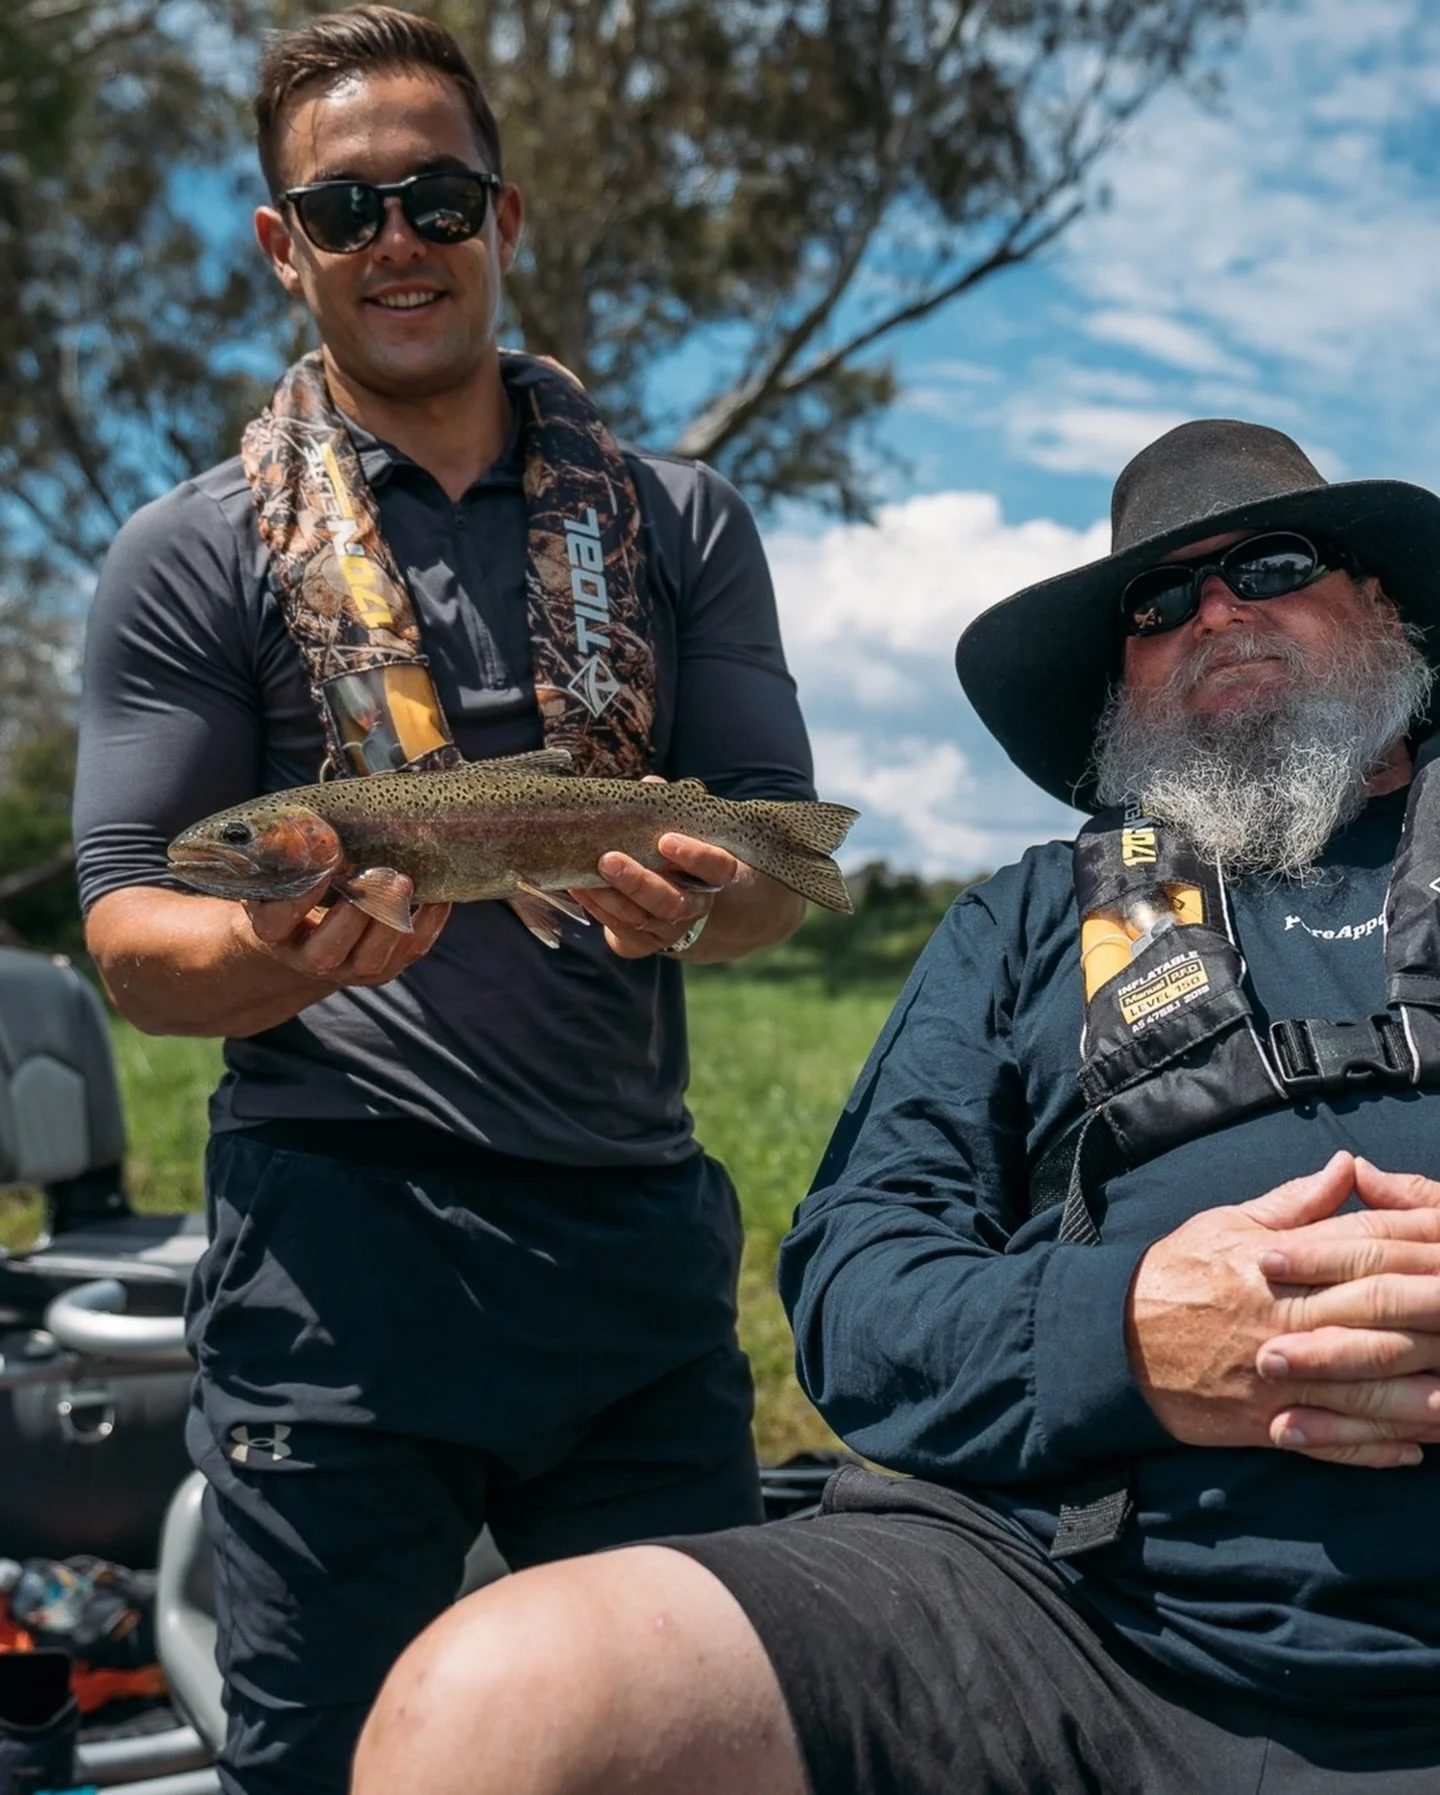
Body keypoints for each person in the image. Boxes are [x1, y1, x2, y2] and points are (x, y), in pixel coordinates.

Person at [352, 418, 1440, 1795]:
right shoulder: (1028, 920)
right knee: (492, 1707)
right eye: (1157, 605)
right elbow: (856, 1292)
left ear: (1386, 606)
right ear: (1123, 680)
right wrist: (1128, 1336)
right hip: (1079, 1625)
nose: (1212, 611)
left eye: (1271, 563)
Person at [72, 7, 820, 1792]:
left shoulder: (678, 518)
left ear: (505, 216)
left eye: (436, 198)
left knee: (686, 1754)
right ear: (282, 247)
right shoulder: (194, 552)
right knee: (328, 1763)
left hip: (631, 1252)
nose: (395, 241)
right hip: (337, 1264)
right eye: (344, 212)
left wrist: (701, 901)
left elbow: (780, 867)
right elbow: (126, 927)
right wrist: (267, 947)